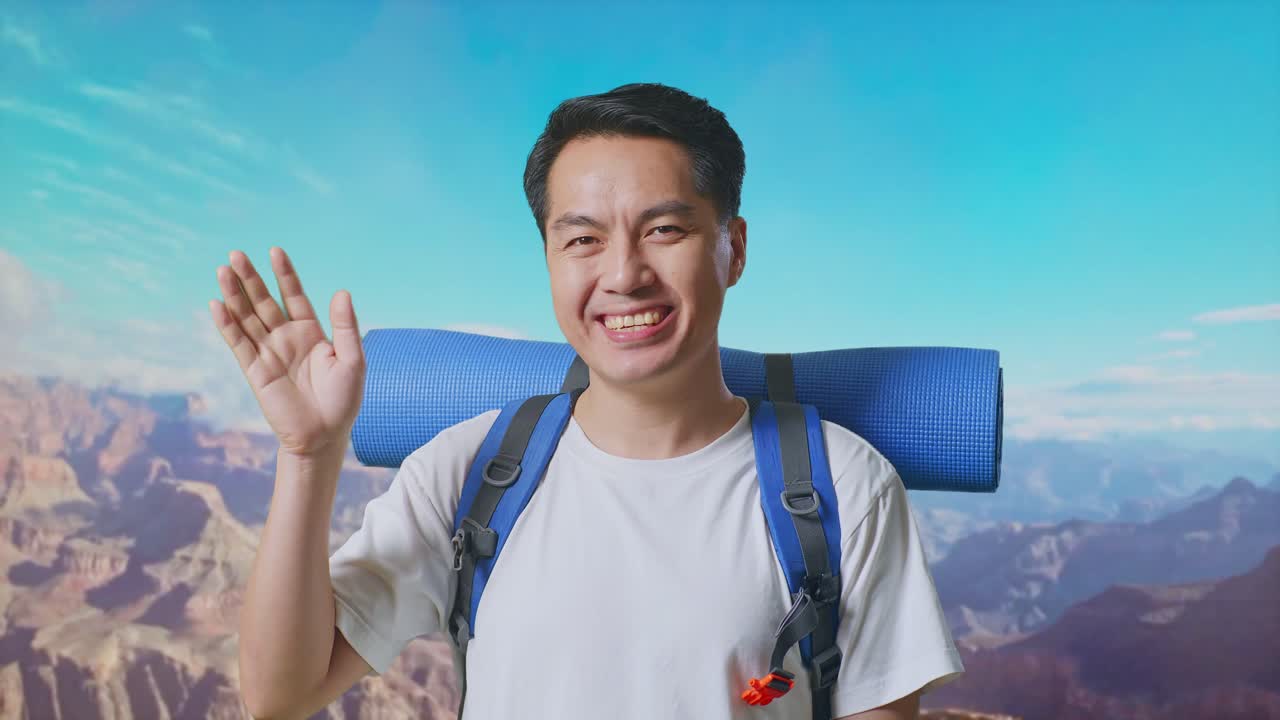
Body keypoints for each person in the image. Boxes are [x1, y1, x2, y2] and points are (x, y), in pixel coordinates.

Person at [218, 83, 963, 720]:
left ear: (733, 248)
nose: (623, 274)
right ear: (547, 255)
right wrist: (308, 455)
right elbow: (279, 695)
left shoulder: (843, 486)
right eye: (581, 240)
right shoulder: (471, 472)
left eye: (664, 230)